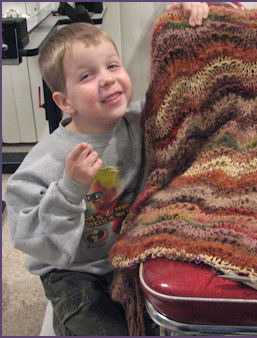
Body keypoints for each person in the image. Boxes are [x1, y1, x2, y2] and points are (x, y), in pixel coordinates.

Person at [5, 3, 209, 336]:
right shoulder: (45, 161)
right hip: (73, 273)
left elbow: (185, 90)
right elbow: (31, 238)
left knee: (175, 317)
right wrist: (70, 188)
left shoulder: (139, 121)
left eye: (113, 65)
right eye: (86, 76)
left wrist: (186, 24)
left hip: (129, 257)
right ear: (65, 102)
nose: (107, 79)